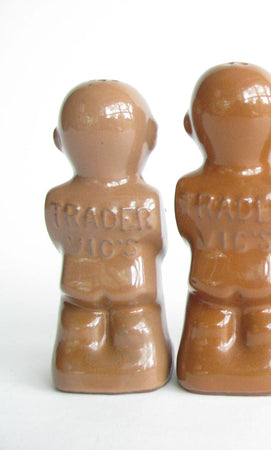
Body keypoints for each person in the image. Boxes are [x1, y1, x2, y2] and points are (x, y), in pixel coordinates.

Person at [176, 63, 271, 395]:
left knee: (203, 352)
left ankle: (202, 371)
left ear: (190, 126)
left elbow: (185, 232)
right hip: (267, 295)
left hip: (208, 293)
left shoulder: (188, 191)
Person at [45, 80, 171, 393]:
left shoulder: (58, 200)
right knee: (139, 343)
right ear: (150, 138)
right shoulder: (145, 200)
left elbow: (60, 241)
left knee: (76, 343)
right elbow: (157, 246)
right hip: (134, 294)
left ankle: (74, 371)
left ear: (59, 140)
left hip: (79, 294)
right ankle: (142, 371)